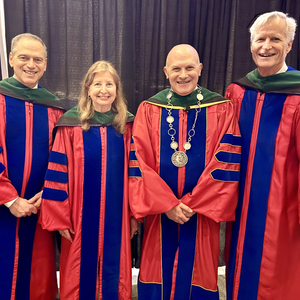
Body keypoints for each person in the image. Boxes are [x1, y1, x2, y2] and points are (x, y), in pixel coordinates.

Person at [129, 44, 241, 299]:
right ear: (166, 71)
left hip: (199, 214)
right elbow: (139, 161)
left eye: (189, 67)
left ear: (200, 69)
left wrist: (192, 203)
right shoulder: (149, 109)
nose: (183, 75)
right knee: (158, 270)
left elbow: (227, 162)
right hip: (161, 215)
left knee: (198, 273)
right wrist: (167, 204)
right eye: (176, 69)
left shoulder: (222, 108)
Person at [39, 60, 137, 299]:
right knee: (79, 273)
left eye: (109, 84)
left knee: (115, 275)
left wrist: (135, 214)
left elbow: (137, 174)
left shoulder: (128, 126)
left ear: (117, 90)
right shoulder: (71, 125)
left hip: (118, 215)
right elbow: (57, 174)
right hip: (78, 216)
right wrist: (60, 218)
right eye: (97, 84)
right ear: (88, 89)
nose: (104, 90)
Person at [225, 11, 300, 300]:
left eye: (275, 39)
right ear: (251, 43)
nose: (266, 46)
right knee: (240, 264)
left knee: (278, 273)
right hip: (241, 202)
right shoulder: (238, 91)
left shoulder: (297, 93)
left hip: (283, 205)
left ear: (290, 44)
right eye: (260, 39)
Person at [0, 33, 64, 299]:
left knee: (37, 280)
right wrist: (10, 198)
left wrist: (44, 196)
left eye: (37, 59)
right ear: (12, 58)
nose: (31, 64)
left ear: (46, 64)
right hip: (3, 209)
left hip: (39, 210)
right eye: (24, 57)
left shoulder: (54, 108)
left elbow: (60, 159)